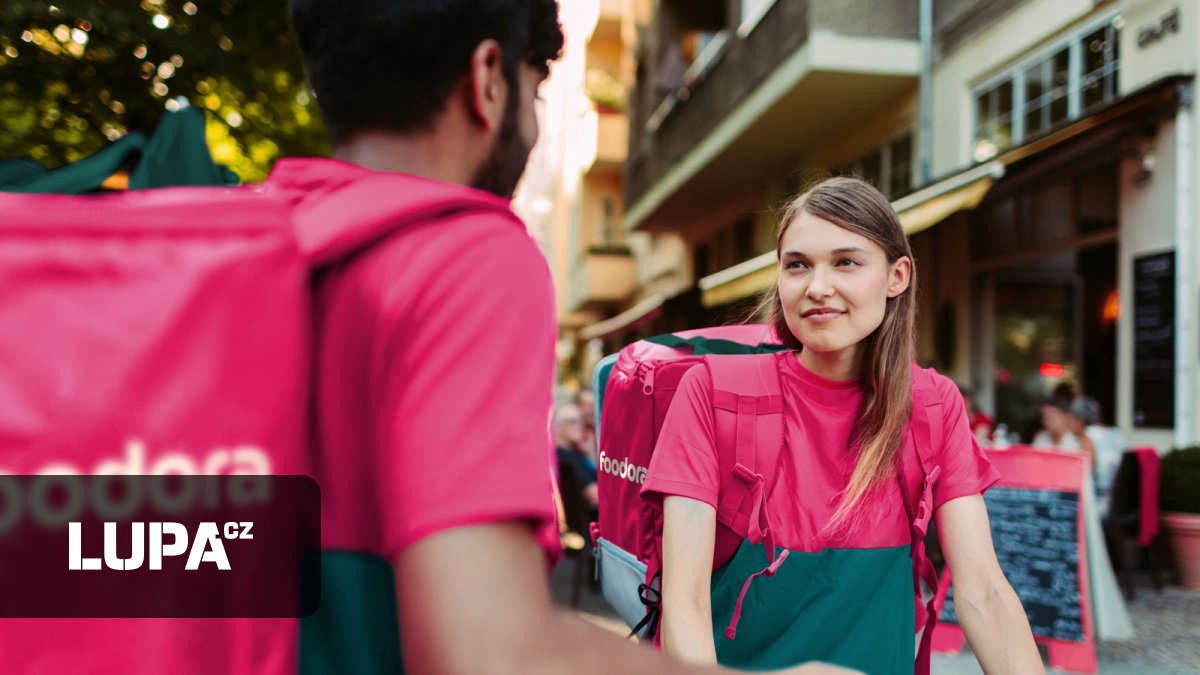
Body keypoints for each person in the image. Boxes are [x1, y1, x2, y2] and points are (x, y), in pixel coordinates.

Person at [288, 1, 853, 673]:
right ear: (489, 78)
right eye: (537, 87)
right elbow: (490, 649)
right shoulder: (465, 255)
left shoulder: (257, 244)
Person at [641, 176, 1043, 673]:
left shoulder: (933, 404)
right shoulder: (712, 392)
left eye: (846, 262)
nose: (817, 288)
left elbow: (983, 592)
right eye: (797, 266)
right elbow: (686, 605)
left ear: (897, 277)